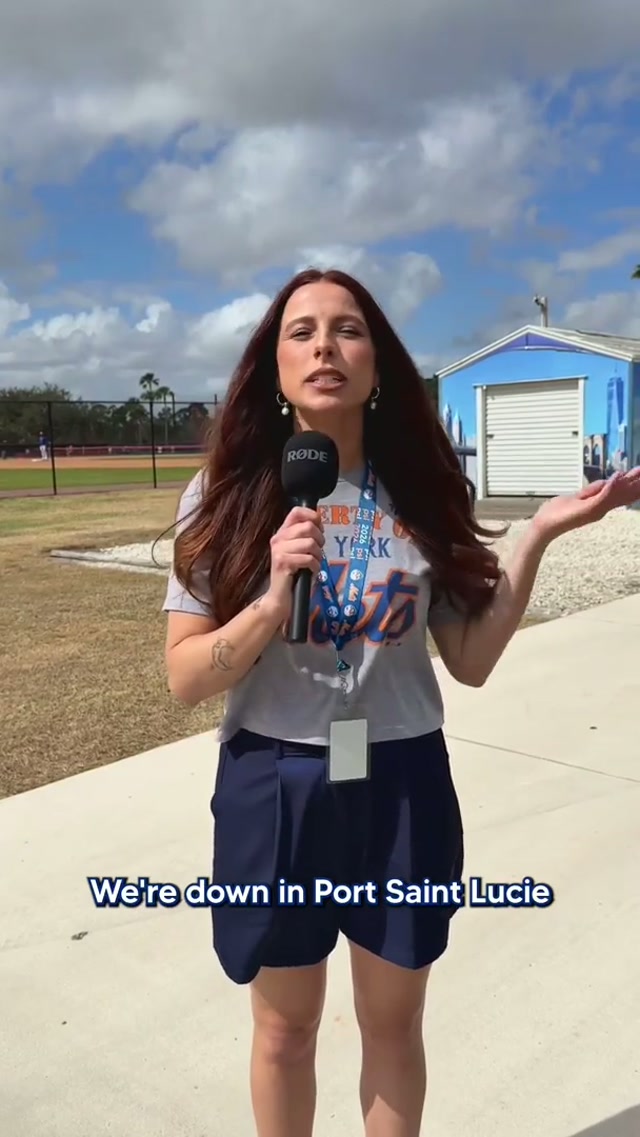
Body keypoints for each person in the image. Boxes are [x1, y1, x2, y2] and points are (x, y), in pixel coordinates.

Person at [162, 268, 640, 1137]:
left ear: (378, 367)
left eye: (348, 330)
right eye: (301, 332)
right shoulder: (225, 497)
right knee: (284, 1029)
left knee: (392, 1024)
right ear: (273, 370)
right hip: (277, 784)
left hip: (401, 783)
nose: (324, 347)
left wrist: (535, 537)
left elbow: (470, 660)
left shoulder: (421, 496)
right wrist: (272, 601)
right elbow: (187, 675)